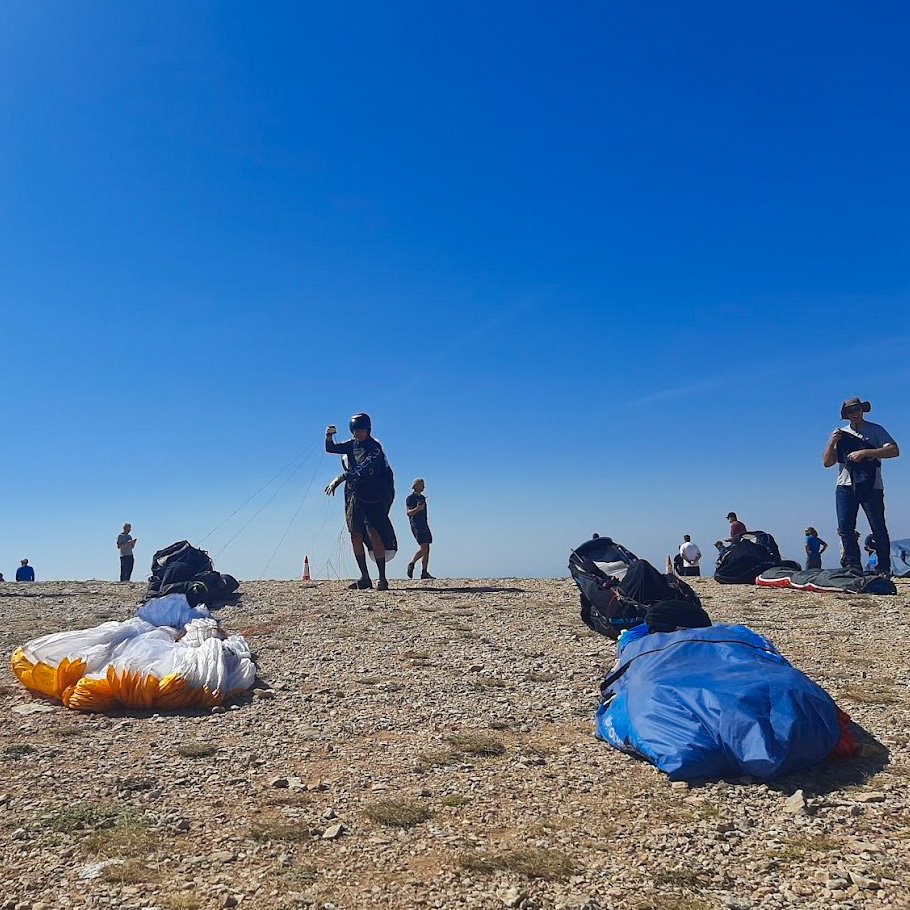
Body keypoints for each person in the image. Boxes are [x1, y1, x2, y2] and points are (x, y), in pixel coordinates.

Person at [823, 396, 899, 576]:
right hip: (845, 484)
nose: (854, 413)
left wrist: (865, 452)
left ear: (862, 410)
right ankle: (852, 566)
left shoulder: (876, 430)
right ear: (846, 414)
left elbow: (894, 450)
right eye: (850, 411)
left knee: (877, 526)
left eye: (857, 409)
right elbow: (827, 462)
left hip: (871, 484)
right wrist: (832, 442)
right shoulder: (841, 433)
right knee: (845, 527)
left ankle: (883, 567)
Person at [325, 413, 396, 591]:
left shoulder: (374, 448)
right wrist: (328, 435)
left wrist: (340, 478)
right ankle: (365, 577)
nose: (359, 434)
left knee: (373, 532)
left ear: (368, 429)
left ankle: (382, 578)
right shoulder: (351, 445)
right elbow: (331, 448)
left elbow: (362, 469)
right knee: (355, 533)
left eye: (362, 430)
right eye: (356, 430)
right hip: (353, 495)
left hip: (373, 496)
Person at [405, 478, 435, 580]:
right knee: (424, 548)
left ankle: (424, 572)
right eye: (421, 485)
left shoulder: (422, 497)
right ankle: (412, 563)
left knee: (427, 548)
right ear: (416, 486)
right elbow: (408, 513)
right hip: (416, 525)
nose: (423, 487)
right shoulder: (410, 498)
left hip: (424, 524)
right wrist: (417, 509)